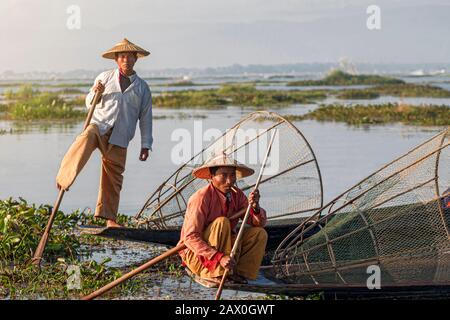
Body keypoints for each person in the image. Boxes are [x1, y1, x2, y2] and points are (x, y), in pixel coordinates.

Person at [55, 38, 153, 228]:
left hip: (121, 136)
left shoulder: (142, 88)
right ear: (116, 60)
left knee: (114, 176)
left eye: (130, 57)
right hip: (99, 127)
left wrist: (145, 145)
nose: (126, 60)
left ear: (135, 59)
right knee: (86, 136)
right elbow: (89, 102)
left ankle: (110, 219)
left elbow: (146, 118)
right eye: (122, 56)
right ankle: (65, 177)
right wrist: (94, 93)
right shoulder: (105, 78)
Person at [178, 153, 268, 285]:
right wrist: (218, 257)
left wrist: (255, 207)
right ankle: (213, 273)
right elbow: (190, 238)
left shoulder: (237, 195)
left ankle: (239, 273)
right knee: (222, 222)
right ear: (211, 177)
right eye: (224, 175)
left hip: (225, 254)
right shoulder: (201, 198)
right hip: (198, 256)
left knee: (259, 234)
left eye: (232, 175)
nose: (229, 181)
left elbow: (258, 223)